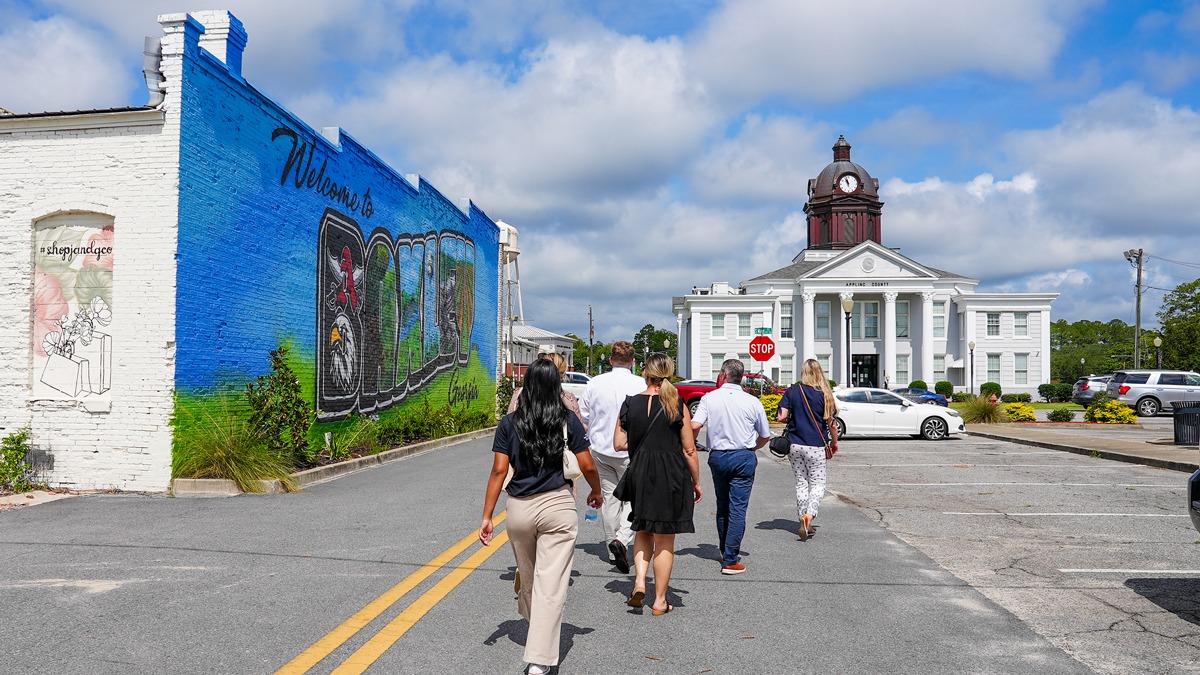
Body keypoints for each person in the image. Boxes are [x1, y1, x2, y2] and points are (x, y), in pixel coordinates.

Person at [480, 358, 604, 675]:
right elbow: (588, 465)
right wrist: (596, 491)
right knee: (548, 585)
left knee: (531, 577)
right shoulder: (567, 422)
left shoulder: (509, 424)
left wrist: (487, 516)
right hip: (558, 508)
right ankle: (539, 659)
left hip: (519, 510)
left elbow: (498, 471)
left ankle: (540, 643)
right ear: (555, 386)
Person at [613, 353, 702, 615]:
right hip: (671, 474)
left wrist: (645, 446)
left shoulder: (629, 404)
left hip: (640, 472)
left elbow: (618, 443)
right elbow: (689, 450)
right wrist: (696, 482)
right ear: (669, 374)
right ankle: (660, 600)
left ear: (645, 373)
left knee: (642, 529)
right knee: (665, 539)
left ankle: (640, 581)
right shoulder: (677, 404)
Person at [690, 359, 770, 575]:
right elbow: (765, 435)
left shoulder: (709, 398)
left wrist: (690, 445)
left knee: (723, 504)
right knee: (738, 508)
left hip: (718, 456)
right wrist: (752, 449)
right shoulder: (752, 401)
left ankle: (725, 547)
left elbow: (695, 425)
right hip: (743, 456)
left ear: (723, 375)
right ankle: (730, 558)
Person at [578, 340, 645, 573]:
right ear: (633, 361)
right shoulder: (640, 383)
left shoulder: (595, 383)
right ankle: (622, 539)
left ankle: (610, 548)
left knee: (610, 499)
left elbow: (583, 415)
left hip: (601, 449)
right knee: (633, 500)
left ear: (610, 360)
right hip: (630, 450)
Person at [777, 358, 839, 541]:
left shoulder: (793, 391)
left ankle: (804, 521)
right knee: (818, 484)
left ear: (803, 372)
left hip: (795, 444)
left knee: (801, 483)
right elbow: (832, 424)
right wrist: (834, 443)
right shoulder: (826, 394)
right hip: (816, 445)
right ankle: (809, 515)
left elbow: (782, 417)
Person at [509, 353, 585, 429]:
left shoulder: (519, 392)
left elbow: (510, 421)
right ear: (562, 375)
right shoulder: (567, 397)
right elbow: (578, 428)